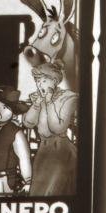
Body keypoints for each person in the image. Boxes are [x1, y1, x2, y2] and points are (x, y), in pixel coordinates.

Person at [22, 60, 78, 195]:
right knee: (37, 193)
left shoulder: (68, 98)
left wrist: (48, 102)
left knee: (53, 191)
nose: (39, 85)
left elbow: (57, 128)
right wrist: (36, 104)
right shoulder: (39, 97)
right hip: (43, 149)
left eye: (43, 81)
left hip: (61, 150)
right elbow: (28, 123)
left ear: (54, 81)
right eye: (37, 81)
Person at [0, 87, 32, 195]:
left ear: (12, 113)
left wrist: (28, 181)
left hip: (4, 180)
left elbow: (24, 159)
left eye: (3, 107)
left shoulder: (16, 133)